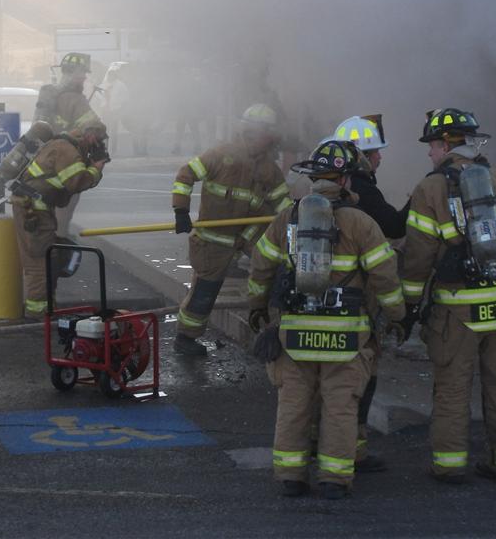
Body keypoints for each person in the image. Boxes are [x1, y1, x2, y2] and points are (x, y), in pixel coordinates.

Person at [246, 140, 410, 499]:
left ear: (314, 179)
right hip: (346, 336)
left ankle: (291, 475)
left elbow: (261, 266)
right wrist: (399, 317)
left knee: (294, 403)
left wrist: (257, 307)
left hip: (295, 331)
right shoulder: (361, 223)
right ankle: (334, 479)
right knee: (340, 406)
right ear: (346, 180)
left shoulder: (288, 218)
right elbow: (385, 278)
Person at [402, 108, 496, 485]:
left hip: (458, 312)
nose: (430, 154)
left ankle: (449, 466)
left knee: (451, 389)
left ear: (446, 144)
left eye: (431, 145)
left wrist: (409, 305)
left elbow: (418, 256)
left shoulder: (429, 188)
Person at [170, 104, 292, 356]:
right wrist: (180, 210)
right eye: (260, 133)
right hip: (213, 242)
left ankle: (275, 331)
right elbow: (186, 174)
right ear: (249, 132)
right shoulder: (220, 155)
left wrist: (299, 226)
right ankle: (185, 338)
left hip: (246, 236)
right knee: (205, 291)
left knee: (276, 268)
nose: (265, 139)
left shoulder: (269, 169)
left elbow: (284, 206)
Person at [330, 114, 412, 473]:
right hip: (358, 299)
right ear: (360, 157)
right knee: (362, 373)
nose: (379, 158)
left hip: (323, 298)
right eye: (375, 152)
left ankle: (316, 450)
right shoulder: (366, 190)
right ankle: (354, 451)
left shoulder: (323, 192)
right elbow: (393, 226)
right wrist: (416, 201)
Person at [10, 122, 109, 318]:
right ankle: (39, 316)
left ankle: (46, 309)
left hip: (36, 209)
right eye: (98, 140)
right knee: (41, 263)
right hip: (35, 212)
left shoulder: (63, 146)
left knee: (45, 260)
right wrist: (96, 169)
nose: (98, 146)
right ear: (89, 136)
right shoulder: (67, 150)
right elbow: (76, 182)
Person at [35, 52, 104, 238]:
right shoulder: (75, 99)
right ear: (75, 74)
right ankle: (59, 253)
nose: (84, 77)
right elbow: (96, 129)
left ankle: (47, 250)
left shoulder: (48, 96)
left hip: (43, 166)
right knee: (62, 219)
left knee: (45, 216)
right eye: (83, 73)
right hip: (68, 166)